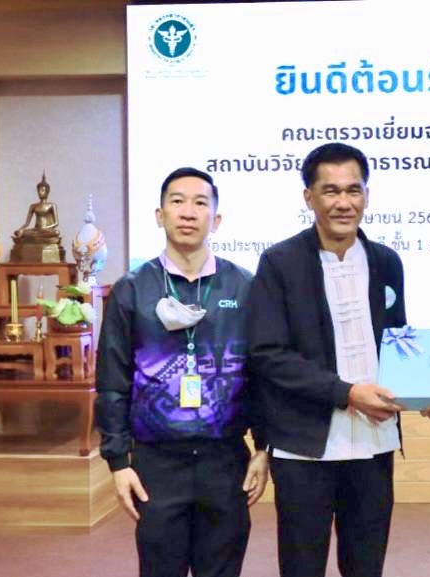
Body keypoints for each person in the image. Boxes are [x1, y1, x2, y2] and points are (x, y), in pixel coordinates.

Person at [248, 142, 430, 577]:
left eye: (354, 190)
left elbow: (398, 343)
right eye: (331, 191)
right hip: (304, 447)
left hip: (374, 442)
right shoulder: (279, 262)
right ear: (309, 197)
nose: (344, 202)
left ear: (367, 196)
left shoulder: (387, 262)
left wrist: (427, 392)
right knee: (302, 566)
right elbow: (268, 355)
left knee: (366, 564)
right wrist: (347, 393)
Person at [95, 167, 268, 577]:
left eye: (200, 203)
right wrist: (118, 462)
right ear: (160, 215)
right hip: (156, 463)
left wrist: (264, 447)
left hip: (224, 460)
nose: (188, 212)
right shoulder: (132, 289)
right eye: (177, 201)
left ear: (216, 219)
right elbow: (112, 381)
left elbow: (262, 375)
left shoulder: (244, 287)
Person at [13, 173, 61, 241]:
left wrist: (45, 228)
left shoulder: (52, 205)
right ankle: (36, 237)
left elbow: (56, 223)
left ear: (47, 192)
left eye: (42, 190)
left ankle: (38, 237)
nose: (40, 192)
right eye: (39, 190)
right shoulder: (33, 206)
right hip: (36, 230)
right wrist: (20, 229)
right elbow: (27, 223)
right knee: (23, 232)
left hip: (46, 230)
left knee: (56, 232)